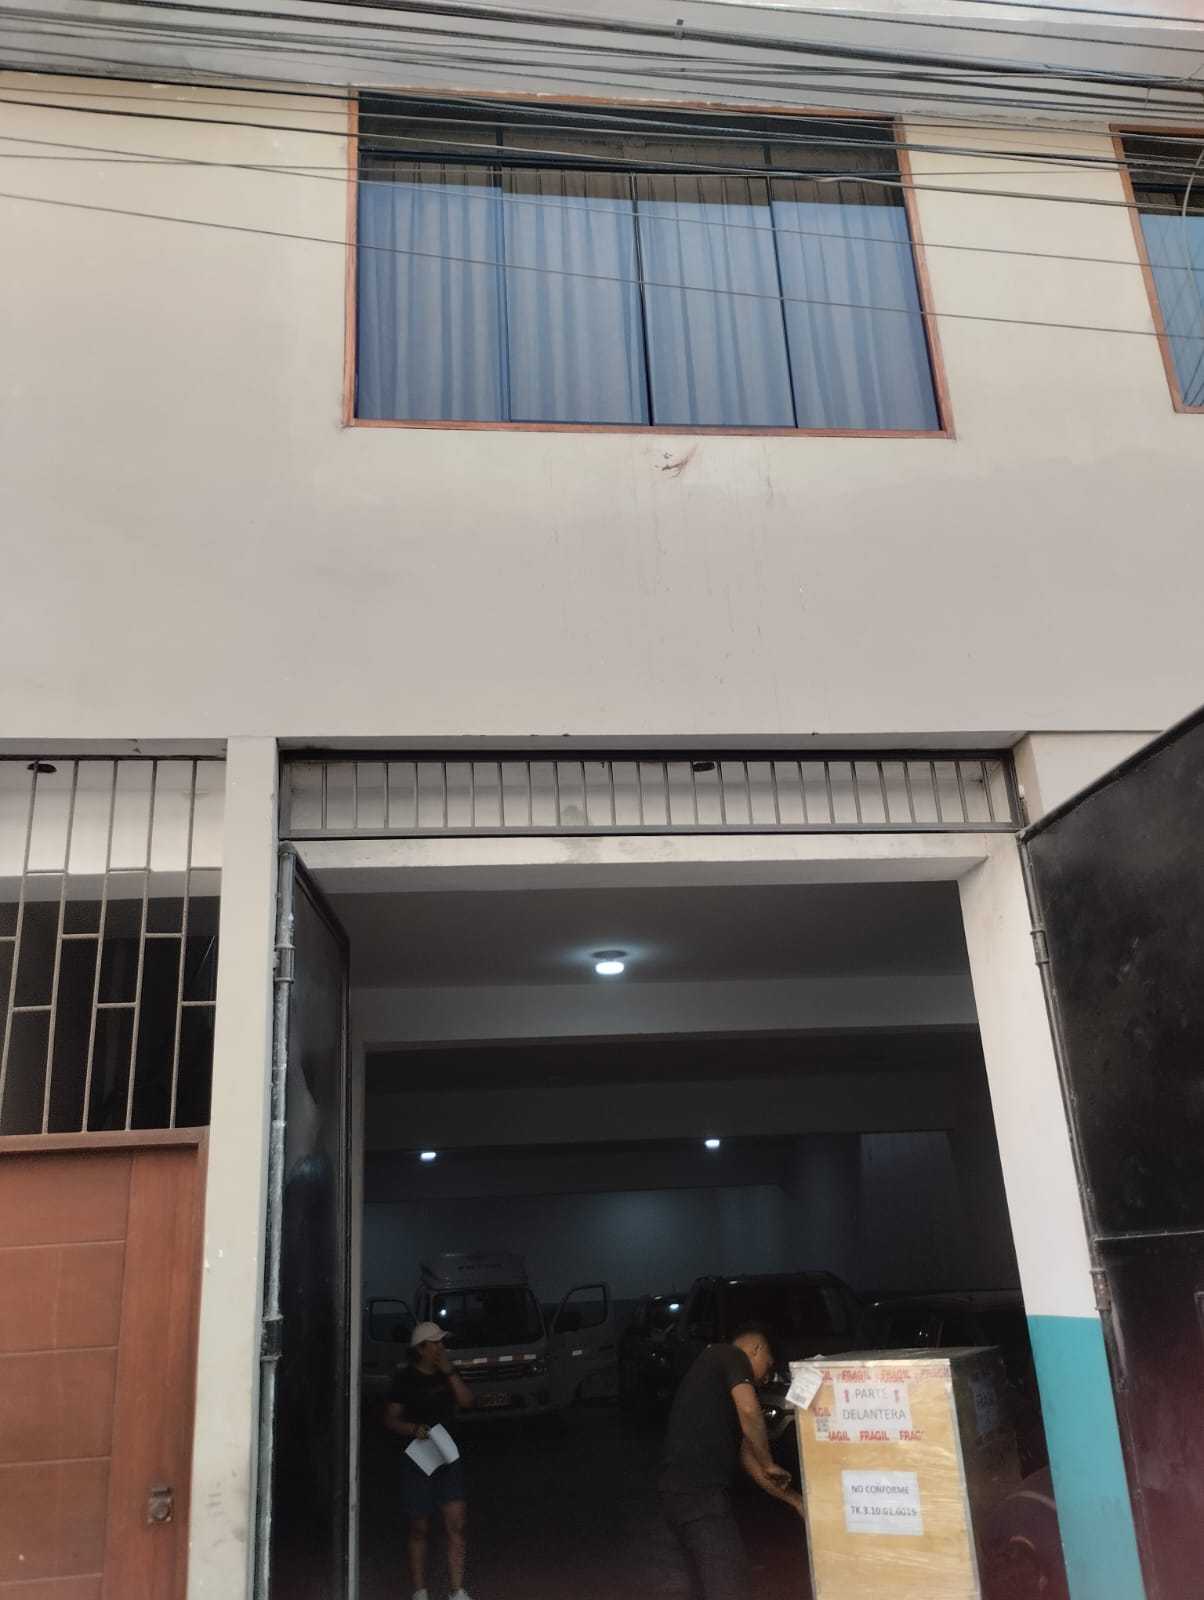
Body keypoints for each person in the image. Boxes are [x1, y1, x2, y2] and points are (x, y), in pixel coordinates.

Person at [659, 1327, 804, 1600]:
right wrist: (769, 1461)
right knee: (730, 1586)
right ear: (756, 1349)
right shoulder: (729, 1354)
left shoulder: (716, 1391)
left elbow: (749, 1458)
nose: (765, 1378)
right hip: (700, 1495)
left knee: (708, 1587)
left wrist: (795, 1501)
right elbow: (750, 1411)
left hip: (680, 1496)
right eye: (768, 1367)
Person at [385, 1321, 476, 1600]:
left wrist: (449, 1371)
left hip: (448, 1456)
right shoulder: (404, 1379)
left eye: (441, 1342)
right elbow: (391, 1420)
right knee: (419, 1527)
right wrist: (414, 1429)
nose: (441, 1347)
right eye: (435, 1343)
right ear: (421, 1349)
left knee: (456, 1523)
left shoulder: (447, 1374)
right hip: (418, 1459)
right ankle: (420, 1591)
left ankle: (457, 1590)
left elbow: (467, 1401)